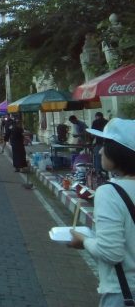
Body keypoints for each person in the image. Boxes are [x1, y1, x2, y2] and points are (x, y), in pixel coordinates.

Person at [69, 119, 135, 306]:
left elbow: (111, 252)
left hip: (123, 293)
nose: (99, 151)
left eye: (104, 146)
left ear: (118, 153)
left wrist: (83, 240)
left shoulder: (110, 192)